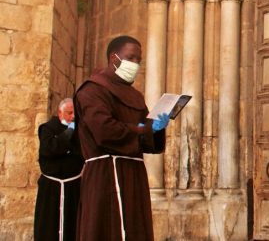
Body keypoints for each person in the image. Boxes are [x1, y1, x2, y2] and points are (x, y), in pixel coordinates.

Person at [74, 35, 170, 241]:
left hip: (134, 173)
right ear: (113, 58)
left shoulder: (134, 95)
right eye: (131, 58)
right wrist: (142, 129)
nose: (135, 64)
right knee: (106, 229)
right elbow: (104, 131)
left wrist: (156, 128)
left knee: (135, 227)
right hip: (105, 173)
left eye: (138, 60)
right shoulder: (92, 90)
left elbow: (145, 138)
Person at [35, 98, 84, 241]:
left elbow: (80, 153)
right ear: (60, 113)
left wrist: (64, 147)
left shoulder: (80, 131)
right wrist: (67, 136)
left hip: (72, 186)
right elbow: (48, 150)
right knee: (48, 225)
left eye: (75, 114)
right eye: (69, 113)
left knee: (72, 225)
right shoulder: (47, 129)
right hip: (51, 187)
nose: (73, 117)